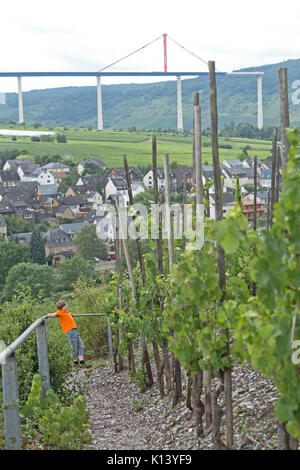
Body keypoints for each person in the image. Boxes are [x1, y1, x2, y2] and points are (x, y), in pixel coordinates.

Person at [46, 300, 91, 368]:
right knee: (74, 346)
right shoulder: (60, 312)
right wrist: (50, 315)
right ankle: (71, 362)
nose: (67, 305)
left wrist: (71, 314)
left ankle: (81, 362)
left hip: (74, 330)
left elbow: (67, 314)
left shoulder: (66, 312)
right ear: (64, 306)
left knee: (80, 345)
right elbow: (54, 314)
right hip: (70, 331)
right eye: (66, 304)